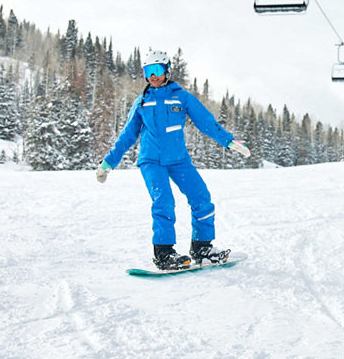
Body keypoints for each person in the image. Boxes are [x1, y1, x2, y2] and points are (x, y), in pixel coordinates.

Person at [95, 49, 251, 270]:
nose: (153, 76)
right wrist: (108, 163)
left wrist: (229, 141)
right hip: (151, 160)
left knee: (201, 198)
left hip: (179, 160)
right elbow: (127, 136)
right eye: (148, 71)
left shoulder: (182, 97)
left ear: (167, 71)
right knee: (164, 202)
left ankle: (201, 247)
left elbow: (206, 121)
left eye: (157, 70)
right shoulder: (142, 102)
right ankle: (164, 253)